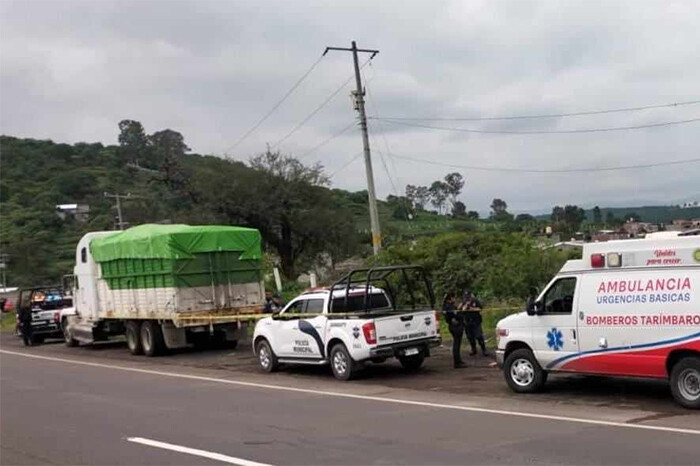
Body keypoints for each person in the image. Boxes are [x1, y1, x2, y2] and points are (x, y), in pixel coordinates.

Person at [442, 292, 466, 368]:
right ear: (450, 298)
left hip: (454, 326)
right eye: (454, 298)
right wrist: (461, 309)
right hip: (456, 326)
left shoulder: (446, 306)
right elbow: (456, 314)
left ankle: (458, 360)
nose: (455, 299)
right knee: (456, 344)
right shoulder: (449, 307)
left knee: (457, 344)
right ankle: (457, 362)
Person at [462, 291, 488, 356]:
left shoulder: (475, 301)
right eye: (466, 297)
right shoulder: (464, 302)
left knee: (479, 336)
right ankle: (473, 349)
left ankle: (484, 349)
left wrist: (473, 309)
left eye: (469, 297)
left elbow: (480, 308)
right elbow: (461, 310)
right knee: (470, 337)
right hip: (467, 322)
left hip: (476, 321)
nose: (468, 299)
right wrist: (466, 306)